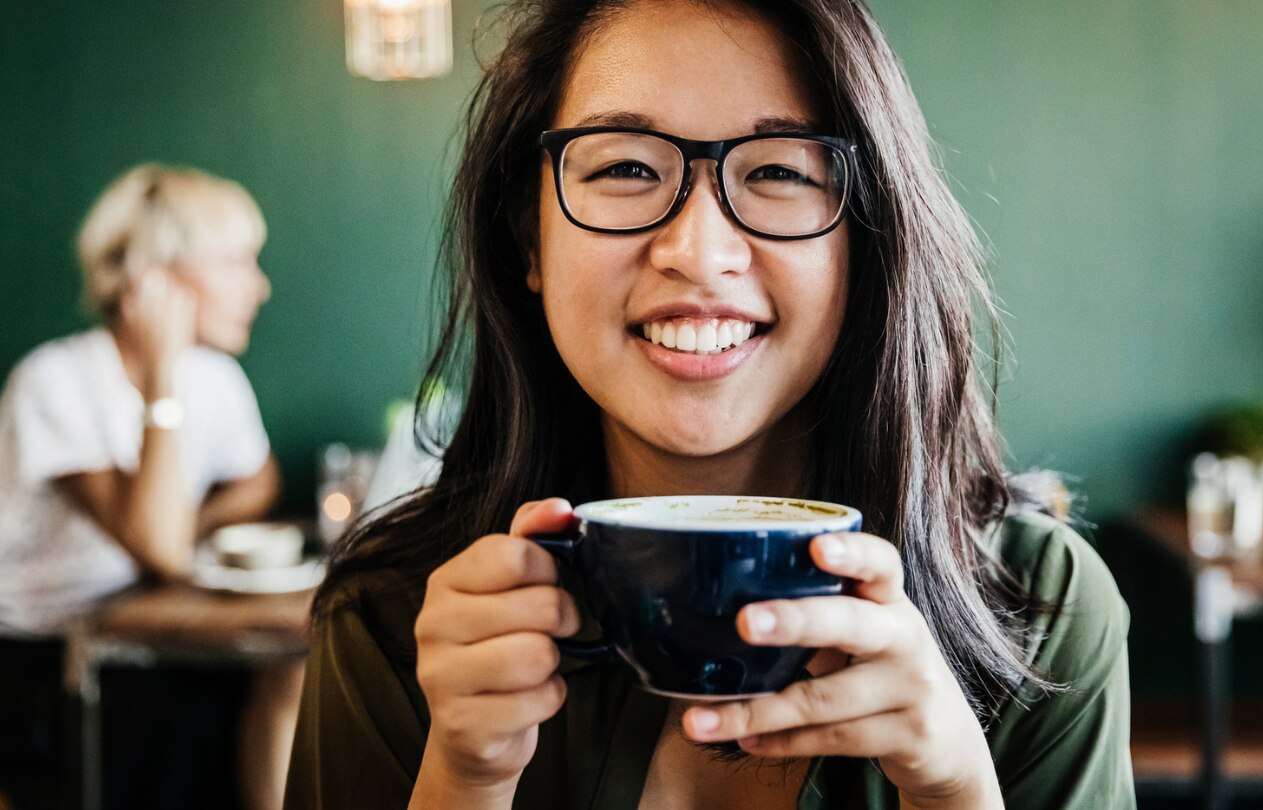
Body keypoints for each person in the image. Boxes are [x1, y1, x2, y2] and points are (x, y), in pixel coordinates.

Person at [288, 1, 1135, 808]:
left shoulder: (1038, 610)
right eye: (624, 166)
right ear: (526, 237)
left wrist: (952, 794)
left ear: (866, 239)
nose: (697, 252)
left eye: (776, 170)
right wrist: (462, 781)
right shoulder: (394, 619)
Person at [0, 164, 301, 810]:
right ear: (157, 280)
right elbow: (161, 552)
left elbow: (259, 480)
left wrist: (192, 522)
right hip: (48, 661)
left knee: (295, 673)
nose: (260, 286)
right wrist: (161, 378)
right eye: (237, 263)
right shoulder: (53, 380)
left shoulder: (217, 378)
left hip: (144, 626)